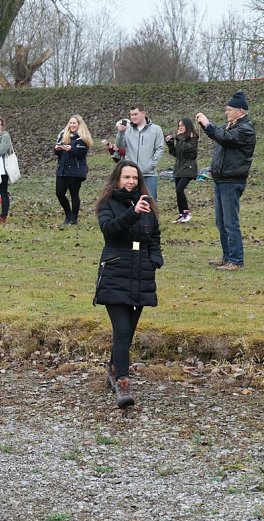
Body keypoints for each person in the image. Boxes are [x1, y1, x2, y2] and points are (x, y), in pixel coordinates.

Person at [93, 160, 163, 409]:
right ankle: (123, 383)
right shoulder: (107, 203)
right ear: (117, 179)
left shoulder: (148, 203)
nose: (131, 182)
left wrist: (155, 258)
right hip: (115, 269)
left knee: (128, 331)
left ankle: (113, 368)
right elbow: (110, 230)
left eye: (135, 178)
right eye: (126, 177)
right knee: (122, 329)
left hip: (140, 271)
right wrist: (133, 213)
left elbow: (154, 234)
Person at [196, 91, 256, 271]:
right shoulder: (231, 126)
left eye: (229, 110)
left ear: (240, 111)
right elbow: (222, 135)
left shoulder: (246, 130)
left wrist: (207, 125)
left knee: (231, 222)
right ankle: (227, 257)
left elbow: (224, 138)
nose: (226, 112)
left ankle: (236, 261)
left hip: (232, 181)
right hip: (221, 180)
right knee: (221, 222)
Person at [115, 104, 164, 200]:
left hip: (149, 174)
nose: (133, 117)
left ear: (143, 113)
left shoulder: (156, 129)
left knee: (150, 202)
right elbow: (119, 146)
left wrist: (151, 164)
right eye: (131, 115)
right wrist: (120, 132)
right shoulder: (127, 130)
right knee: (131, 201)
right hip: (131, 174)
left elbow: (159, 148)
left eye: (135, 114)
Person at [54, 115, 93, 226]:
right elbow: (58, 152)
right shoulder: (63, 135)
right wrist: (57, 149)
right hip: (62, 169)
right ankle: (68, 215)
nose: (72, 125)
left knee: (74, 194)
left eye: (74, 123)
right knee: (59, 193)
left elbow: (81, 153)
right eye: (70, 123)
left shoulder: (83, 138)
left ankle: (74, 219)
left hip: (76, 170)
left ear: (79, 124)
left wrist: (71, 149)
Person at [165, 117, 199, 223]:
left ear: (188, 126)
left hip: (189, 167)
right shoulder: (180, 139)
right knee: (177, 191)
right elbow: (177, 154)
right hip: (179, 168)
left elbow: (186, 149)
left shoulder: (193, 138)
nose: (180, 128)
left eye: (182, 126)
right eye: (179, 126)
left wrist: (180, 138)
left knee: (180, 189)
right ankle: (181, 214)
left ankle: (186, 213)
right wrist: (170, 144)